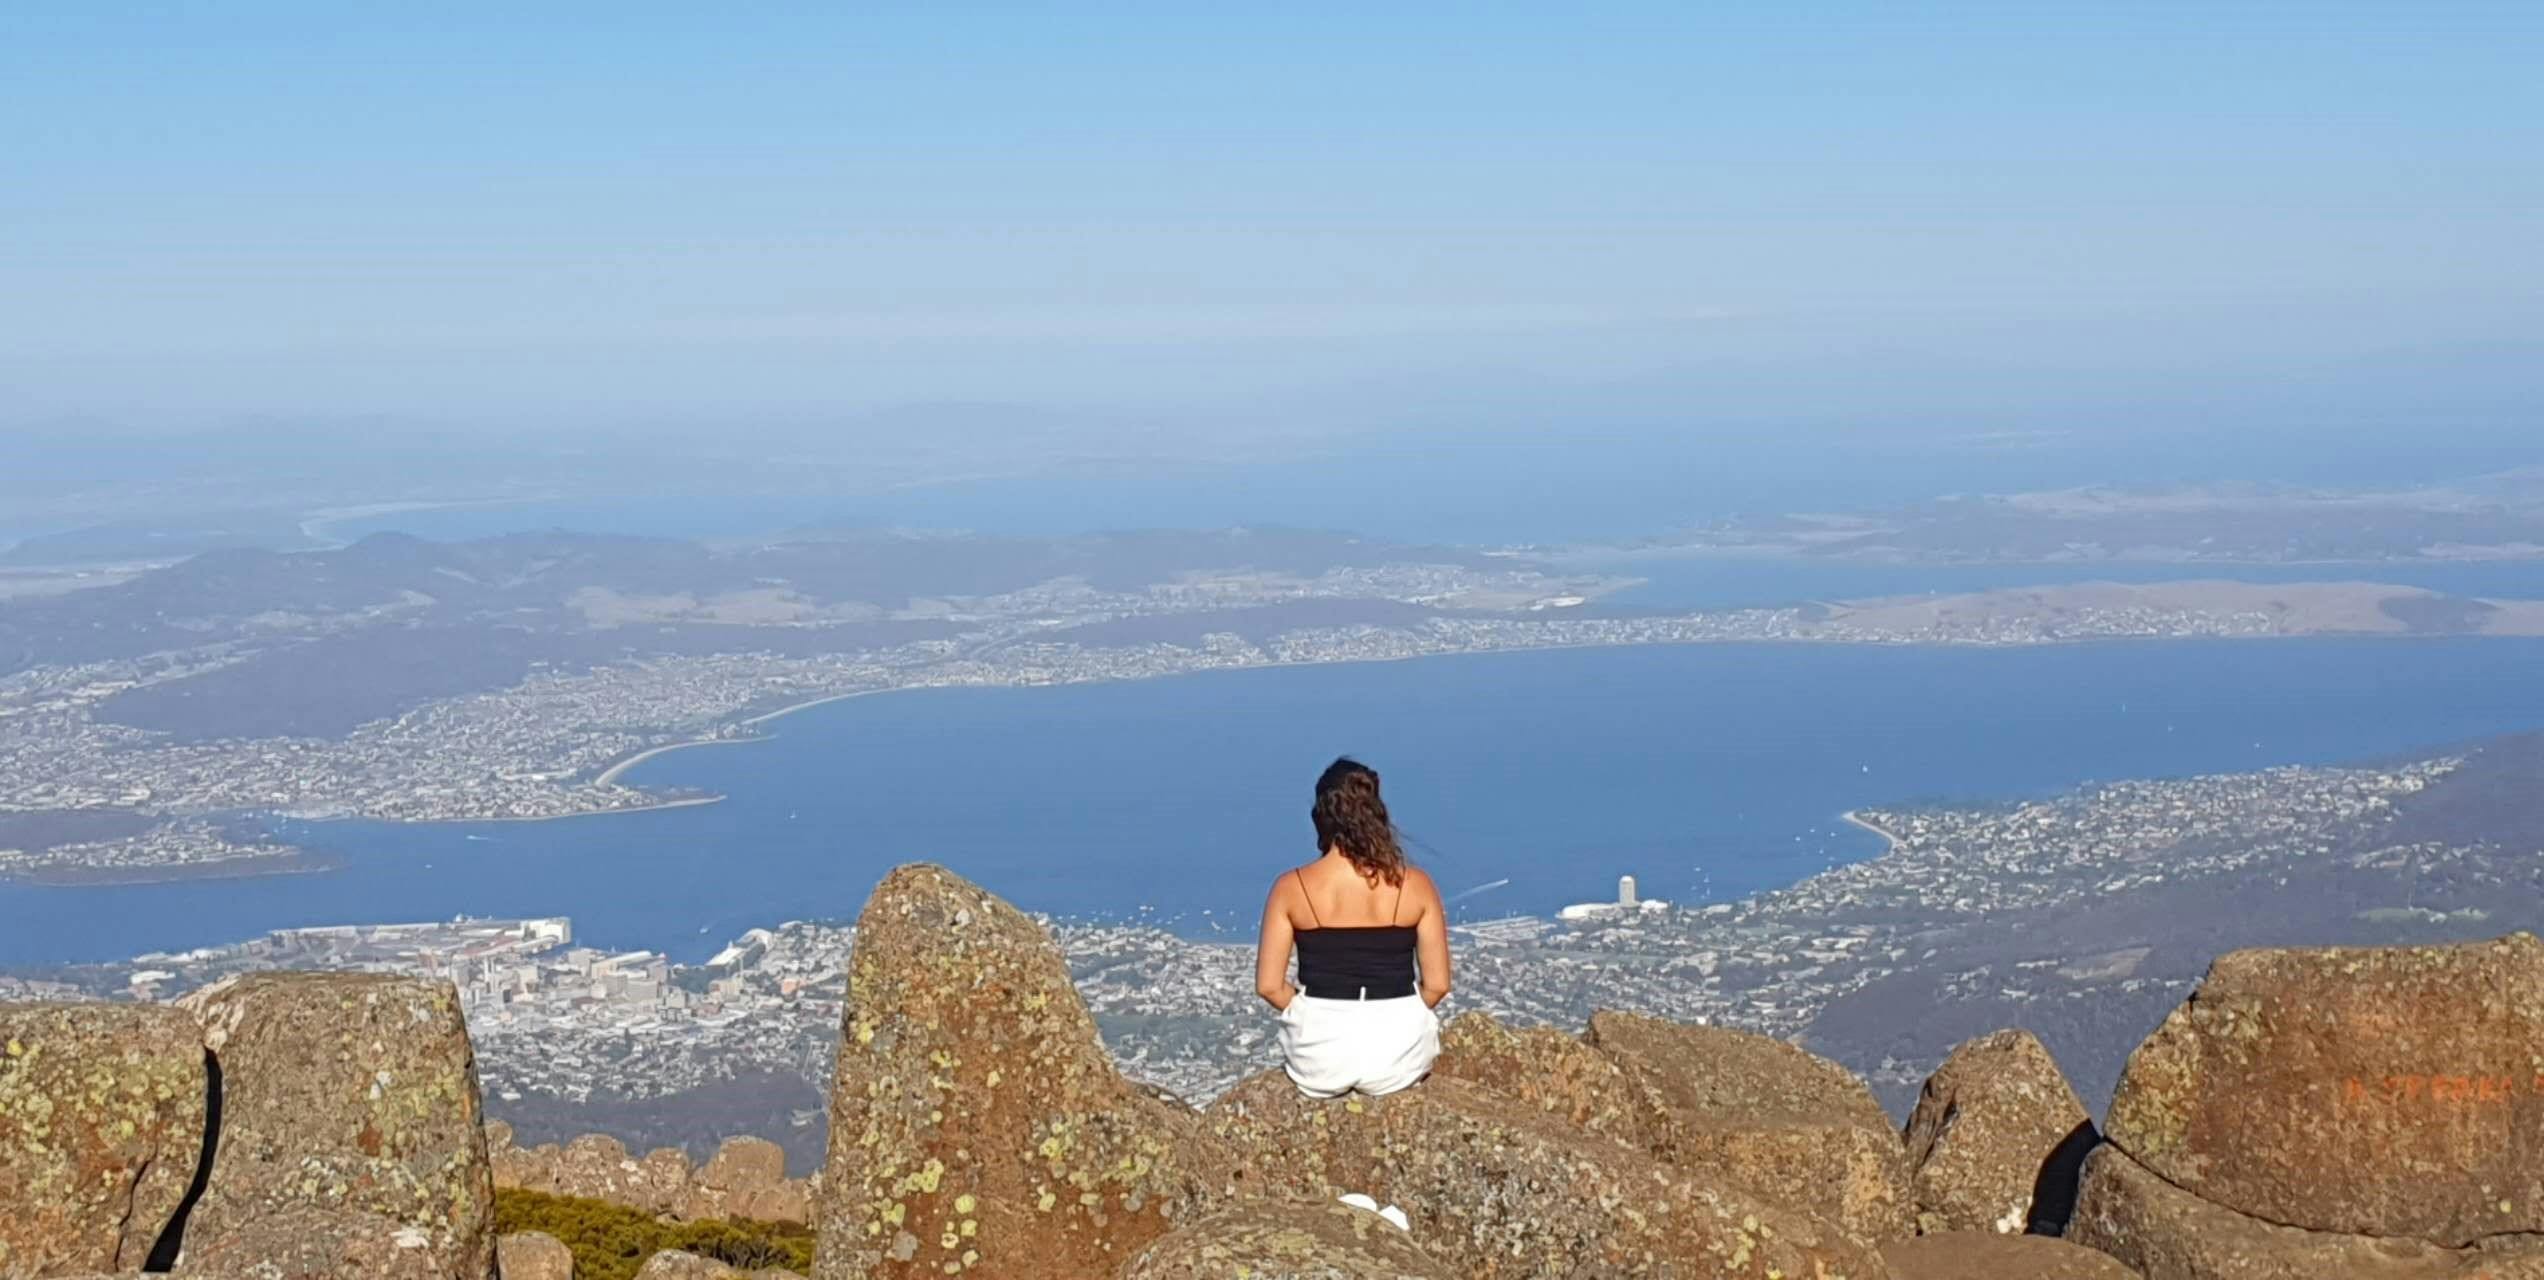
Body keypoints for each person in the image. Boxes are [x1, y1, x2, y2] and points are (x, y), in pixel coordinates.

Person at [1254, 757, 1451, 1098]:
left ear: (1320, 817)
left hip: (1320, 1056)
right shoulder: (1416, 885)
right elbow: (1437, 985)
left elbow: (1270, 987)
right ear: (1377, 813)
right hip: (1398, 1056)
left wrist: (1310, 1011)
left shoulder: (1291, 888)